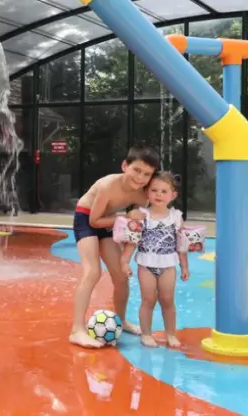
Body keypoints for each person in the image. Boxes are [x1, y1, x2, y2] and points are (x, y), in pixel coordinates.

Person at [69, 143, 159, 349]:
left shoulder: (142, 195)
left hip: (110, 221)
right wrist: (126, 217)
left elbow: (133, 229)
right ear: (124, 166)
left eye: (146, 174)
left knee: (121, 276)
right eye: (136, 170)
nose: (140, 178)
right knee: (92, 271)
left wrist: (125, 258)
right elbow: (94, 221)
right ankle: (76, 330)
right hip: (86, 218)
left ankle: (121, 320)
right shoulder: (107, 186)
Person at [120, 171, 189, 348]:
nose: (159, 194)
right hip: (146, 265)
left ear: (173, 195)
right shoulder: (142, 215)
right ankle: (146, 334)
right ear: (147, 193)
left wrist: (184, 267)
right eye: (154, 190)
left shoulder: (176, 217)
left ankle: (170, 334)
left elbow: (181, 244)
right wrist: (124, 262)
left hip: (168, 265)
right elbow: (132, 241)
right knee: (148, 299)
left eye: (164, 191)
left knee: (167, 300)